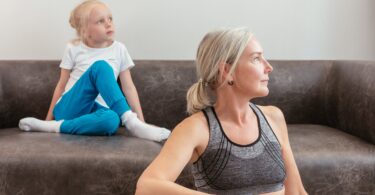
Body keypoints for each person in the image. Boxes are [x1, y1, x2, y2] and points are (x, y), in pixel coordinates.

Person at [136, 27, 308, 194]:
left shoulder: (273, 117)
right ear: (227, 71)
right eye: (256, 58)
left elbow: (297, 191)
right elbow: (147, 186)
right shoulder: (196, 129)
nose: (268, 66)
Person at [18, 0, 170, 142]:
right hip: (70, 109)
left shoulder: (119, 49)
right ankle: (130, 121)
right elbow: (61, 85)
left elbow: (129, 88)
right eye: (100, 21)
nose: (108, 24)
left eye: (110, 18)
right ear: (85, 30)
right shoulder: (74, 48)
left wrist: (142, 122)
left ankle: (55, 128)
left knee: (112, 120)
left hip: (95, 114)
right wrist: (48, 118)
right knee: (101, 67)